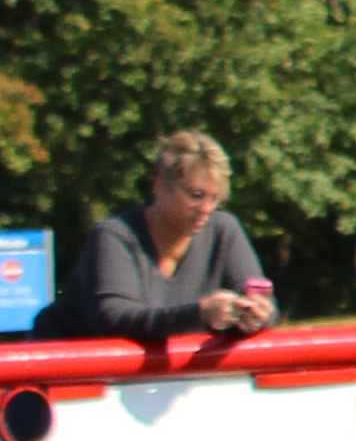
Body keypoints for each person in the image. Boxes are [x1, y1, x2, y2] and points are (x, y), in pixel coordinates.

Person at [59, 128, 277, 342]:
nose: (206, 209)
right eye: (196, 195)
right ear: (159, 185)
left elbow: (264, 303)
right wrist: (199, 314)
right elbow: (113, 319)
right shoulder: (113, 235)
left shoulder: (224, 230)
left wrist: (255, 315)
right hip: (64, 359)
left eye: (215, 198)